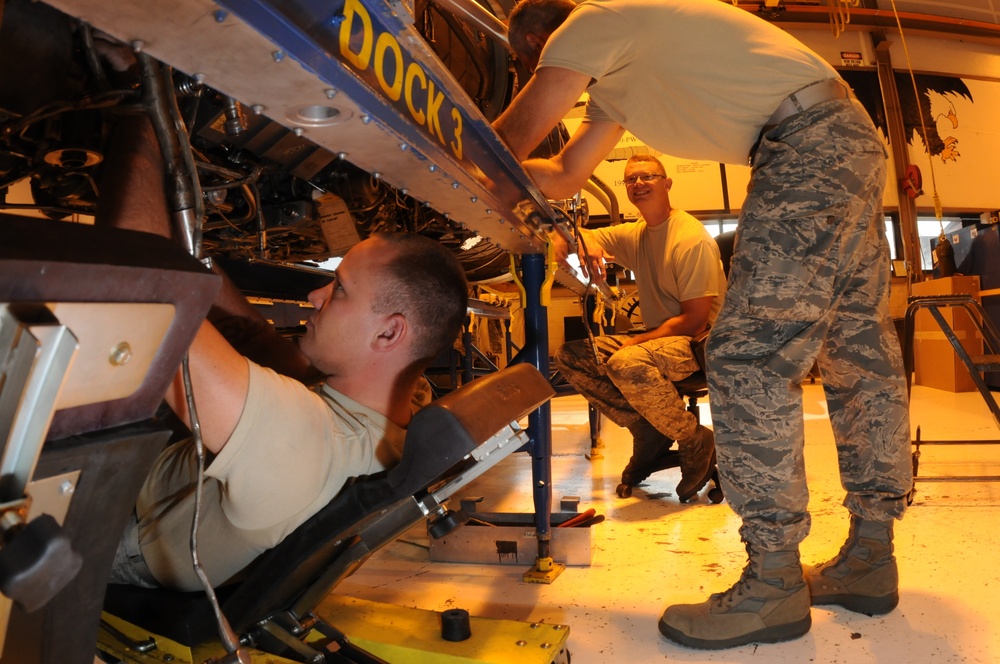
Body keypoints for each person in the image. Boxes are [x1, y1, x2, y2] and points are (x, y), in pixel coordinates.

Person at [494, 0, 912, 649]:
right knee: (857, 352)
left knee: (747, 355)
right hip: (845, 139)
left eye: (532, 63)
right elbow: (565, 171)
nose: (542, 74)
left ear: (538, 40)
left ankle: (773, 582)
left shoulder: (589, 21)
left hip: (804, 143)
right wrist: (523, 183)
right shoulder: (619, 82)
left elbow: (511, 138)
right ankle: (870, 559)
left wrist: (440, 154)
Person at [102, 117, 469, 591]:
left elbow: (136, 276)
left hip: (130, 530)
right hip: (170, 484)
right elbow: (255, 338)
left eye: (340, 290)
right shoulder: (396, 408)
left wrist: (145, 118)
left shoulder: (305, 439)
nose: (317, 295)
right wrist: (195, 254)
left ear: (388, 334)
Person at [552, 155, 725, 502]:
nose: (638, 184)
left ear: (667, 183)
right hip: (663, 340)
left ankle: (694, 440)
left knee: (624, 361)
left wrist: (636, 342)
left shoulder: (690, 239)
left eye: (648, 176)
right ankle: (647, 429)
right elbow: (573, 234)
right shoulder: (639, 233)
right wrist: (585, 244)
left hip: (703, 344)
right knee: (570, 356)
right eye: (631, 180)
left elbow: (693, 320)